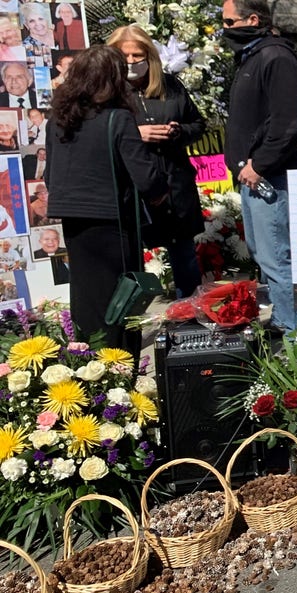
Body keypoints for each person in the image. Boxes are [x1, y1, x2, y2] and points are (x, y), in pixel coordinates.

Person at [45, 45, 169, 352]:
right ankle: (119, 366)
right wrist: (159, 193)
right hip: (112, 222)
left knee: (87, 296)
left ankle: (88, 364)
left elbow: (50, 175)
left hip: (74, 221)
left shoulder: (58, 120)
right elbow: (145, 176)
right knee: (121, 299)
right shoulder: (118, 119)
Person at [221, 0, 297, 332]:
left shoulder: (276, 57)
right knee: (263, 254)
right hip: (252, 176)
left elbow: (287, 121)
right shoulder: (253, 56)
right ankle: (286, 320)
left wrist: (260, 163)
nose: (224, 29)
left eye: (230, 22)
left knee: (277, 257)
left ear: (253, 19)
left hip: (269, 177)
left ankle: (295, 331)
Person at [107, 24, 205, 298]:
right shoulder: (107, 91)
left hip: (174, 181)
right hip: (133, 187)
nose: (130, 62)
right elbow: (97, 134)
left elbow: (198, 124)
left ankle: (190, 310)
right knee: (130, 257)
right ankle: (130, 319)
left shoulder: (170, 85)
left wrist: (178, 131)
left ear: (148, 55)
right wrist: (136, 134)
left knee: (184, 254)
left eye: (137, 56)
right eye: (123, 55)